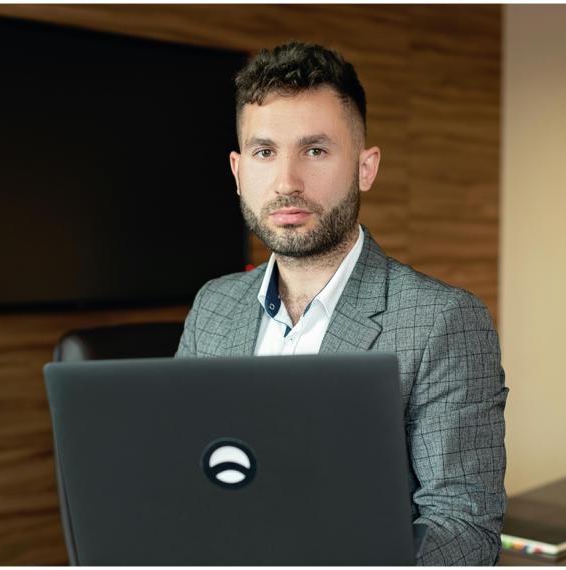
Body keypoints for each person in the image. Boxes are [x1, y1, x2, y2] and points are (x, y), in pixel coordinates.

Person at [176, 41, 508, 566]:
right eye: (265, 152)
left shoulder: (442, 321)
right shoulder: (212, 306)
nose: (287, 182)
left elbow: (462, 530)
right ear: (239, 171)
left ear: (365, 167)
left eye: (315, 150)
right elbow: (185, 479)